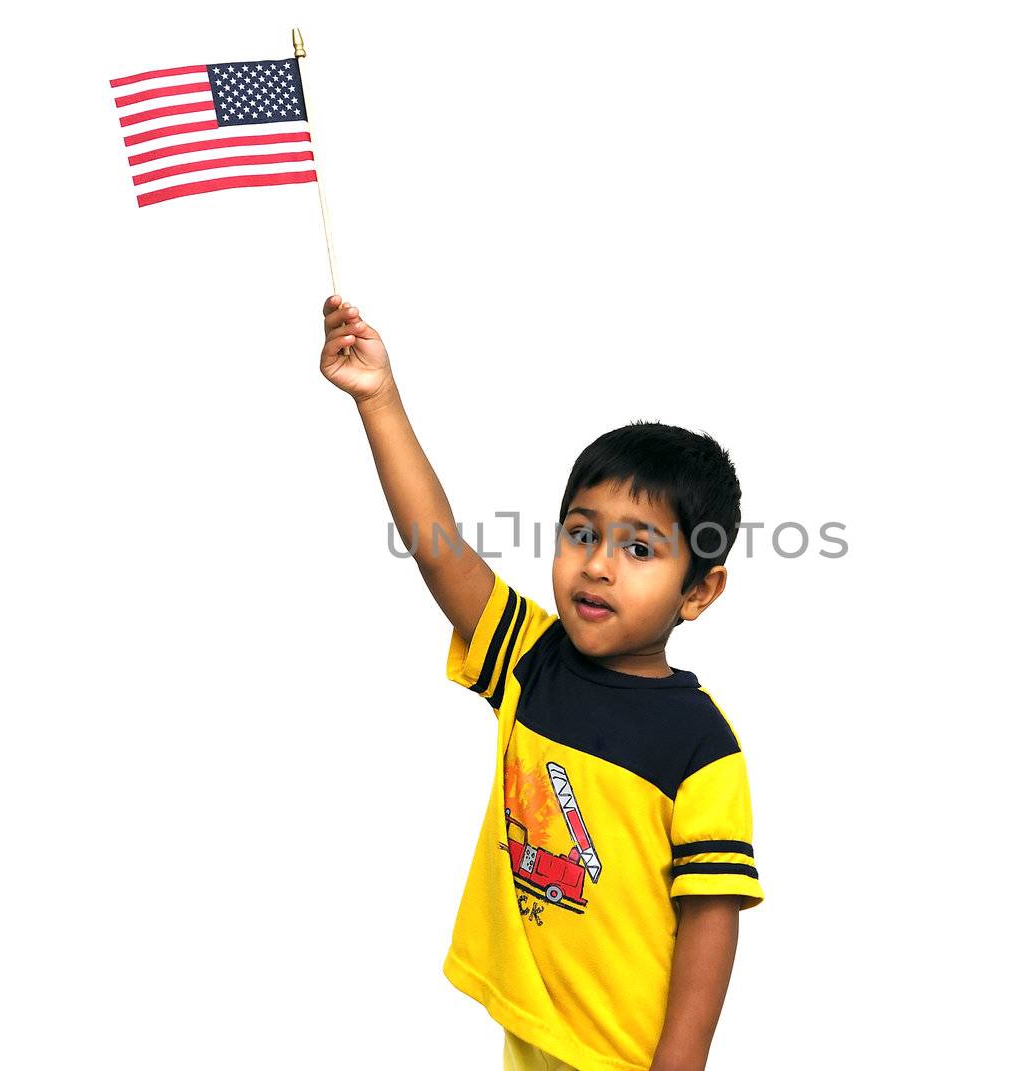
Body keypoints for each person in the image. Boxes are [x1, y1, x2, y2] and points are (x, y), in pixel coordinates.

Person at [319, 296, 764, 1071]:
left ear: (699, 591)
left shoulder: (700, 744)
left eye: (640, 548)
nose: (597, 563)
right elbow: (438, 550)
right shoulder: (533, 659)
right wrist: (380, 399)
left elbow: (712, 916)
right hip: (534, 1037)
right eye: (583, 533)